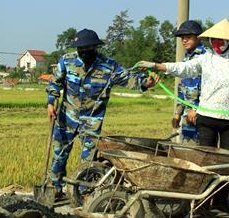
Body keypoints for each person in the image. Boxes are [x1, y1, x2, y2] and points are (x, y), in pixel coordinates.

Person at [135, 18, 229, 209]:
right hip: (206, 118)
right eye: (213, 40)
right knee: (205, 162)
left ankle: (220, 201)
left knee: (224, 163)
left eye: (221, 41)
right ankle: (202, 201)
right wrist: (158, 66)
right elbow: (184, 69)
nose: (216, 44)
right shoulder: (206, 59)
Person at [45, 28, 158, 199]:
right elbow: (55, 84)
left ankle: (84, 191)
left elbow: (127, 78)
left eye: (87, 48)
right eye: (80, 49)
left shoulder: (108, 66)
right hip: (66, 117)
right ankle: (55, 186)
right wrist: (51, 103)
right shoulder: (66, 61)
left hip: (92, 120)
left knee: (88, 160)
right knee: (59, 155)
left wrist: (145, 83)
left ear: (95, 47)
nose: (83, 52)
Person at [171, 20, 207, 143]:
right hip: (187, 115)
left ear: (198, 37)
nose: (184, 40)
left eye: (188, 37)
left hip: (202, 114)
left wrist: (196, 109)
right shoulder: (187, 57)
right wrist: (178, 113)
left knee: (201, 150)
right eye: (182, 37)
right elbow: (182, 89)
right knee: (184, 150)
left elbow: (209, 88)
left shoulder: (207, 57)